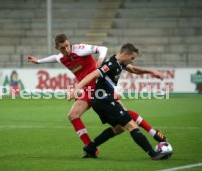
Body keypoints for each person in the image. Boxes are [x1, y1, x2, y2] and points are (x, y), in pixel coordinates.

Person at [28, 34, 166, 156]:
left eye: (68, 46)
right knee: (73, 116)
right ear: (58, 48)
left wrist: (100, 60)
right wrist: (38, 61)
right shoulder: (61, 57)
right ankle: (91, 148)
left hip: (99, 87)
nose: (67, 49)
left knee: (123, 120)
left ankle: (154, 132)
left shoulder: (80, 49)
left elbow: (102, 49)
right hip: (87, 89)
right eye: (63, 48)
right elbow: (54, 58)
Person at [68, 43, 171, 160]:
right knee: (132, 125)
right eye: (132, 58)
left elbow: (134, 70)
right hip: (104, 101)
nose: (132, 61)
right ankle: (154, 154)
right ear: (125, 54)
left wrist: (151, 71)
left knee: (119, 128)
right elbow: (92, 75)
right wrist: (76, 89)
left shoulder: (120, 63)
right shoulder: (110, 64)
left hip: (103, 101)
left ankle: (90, 147)